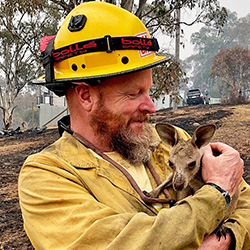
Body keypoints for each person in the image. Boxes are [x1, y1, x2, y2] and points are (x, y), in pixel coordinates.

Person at [18, 2, 250, 250]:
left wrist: (226, 239)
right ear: (86, 96)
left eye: (148, 91)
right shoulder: (46, 177)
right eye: (134, 93)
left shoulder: (174, 144)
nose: (151, 106)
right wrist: (218, 193)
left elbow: (246, 201)